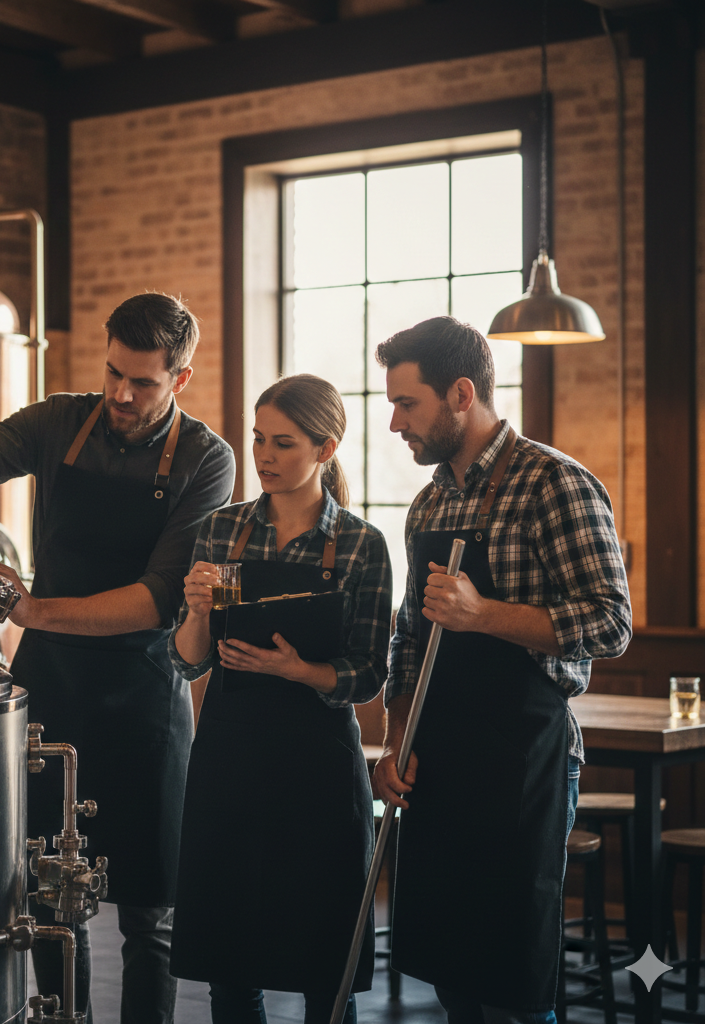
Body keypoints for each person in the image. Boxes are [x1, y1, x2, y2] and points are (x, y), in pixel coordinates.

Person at [0, 292, 236, 1024]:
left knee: (147, 919)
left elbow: (158, 598)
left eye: (144, 383)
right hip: (52, 690)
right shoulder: (62, 420)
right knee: (44, 895)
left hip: (144, 701)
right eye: (113, 374)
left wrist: (31, 610)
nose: (122, 395)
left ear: (181, 379)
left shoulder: (205, 459)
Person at [371, 317, 631, 1024]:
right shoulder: (429, 502)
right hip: (439, 757)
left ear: (461, 394)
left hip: (524, 758)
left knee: (512, 979)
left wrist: (485, 614)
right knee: (451, 970)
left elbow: (611, 623)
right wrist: (397, 740)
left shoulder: (555, 484)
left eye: (407, 403)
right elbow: (408, 640)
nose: (394, 423)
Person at [167, 373, 392, 1024]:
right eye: (259, 439)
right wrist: (197, 612)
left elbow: (369, 673)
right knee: (230, 968)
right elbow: (188, 662)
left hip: (318, 772)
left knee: (328, 969)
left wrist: (299, 670)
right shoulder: (222, 531)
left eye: (284, 443)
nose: (263, 456)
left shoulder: (359, 545)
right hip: (230, 766)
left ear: (326, 448)